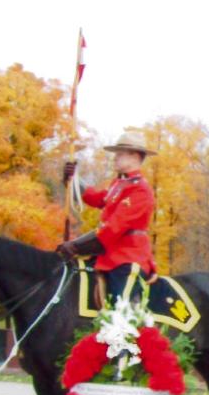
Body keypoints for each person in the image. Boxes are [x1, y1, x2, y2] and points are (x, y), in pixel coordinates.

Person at [57, 131, 157, 306]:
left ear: (134, 156)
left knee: (121, 315)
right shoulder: (118, 185)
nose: (115, 158)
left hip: (128, 258)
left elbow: (112, 229)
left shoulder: (140, 190)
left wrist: (75, 246)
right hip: (107, 256)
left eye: (119, 154)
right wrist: (72, 181)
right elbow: (96, 198)